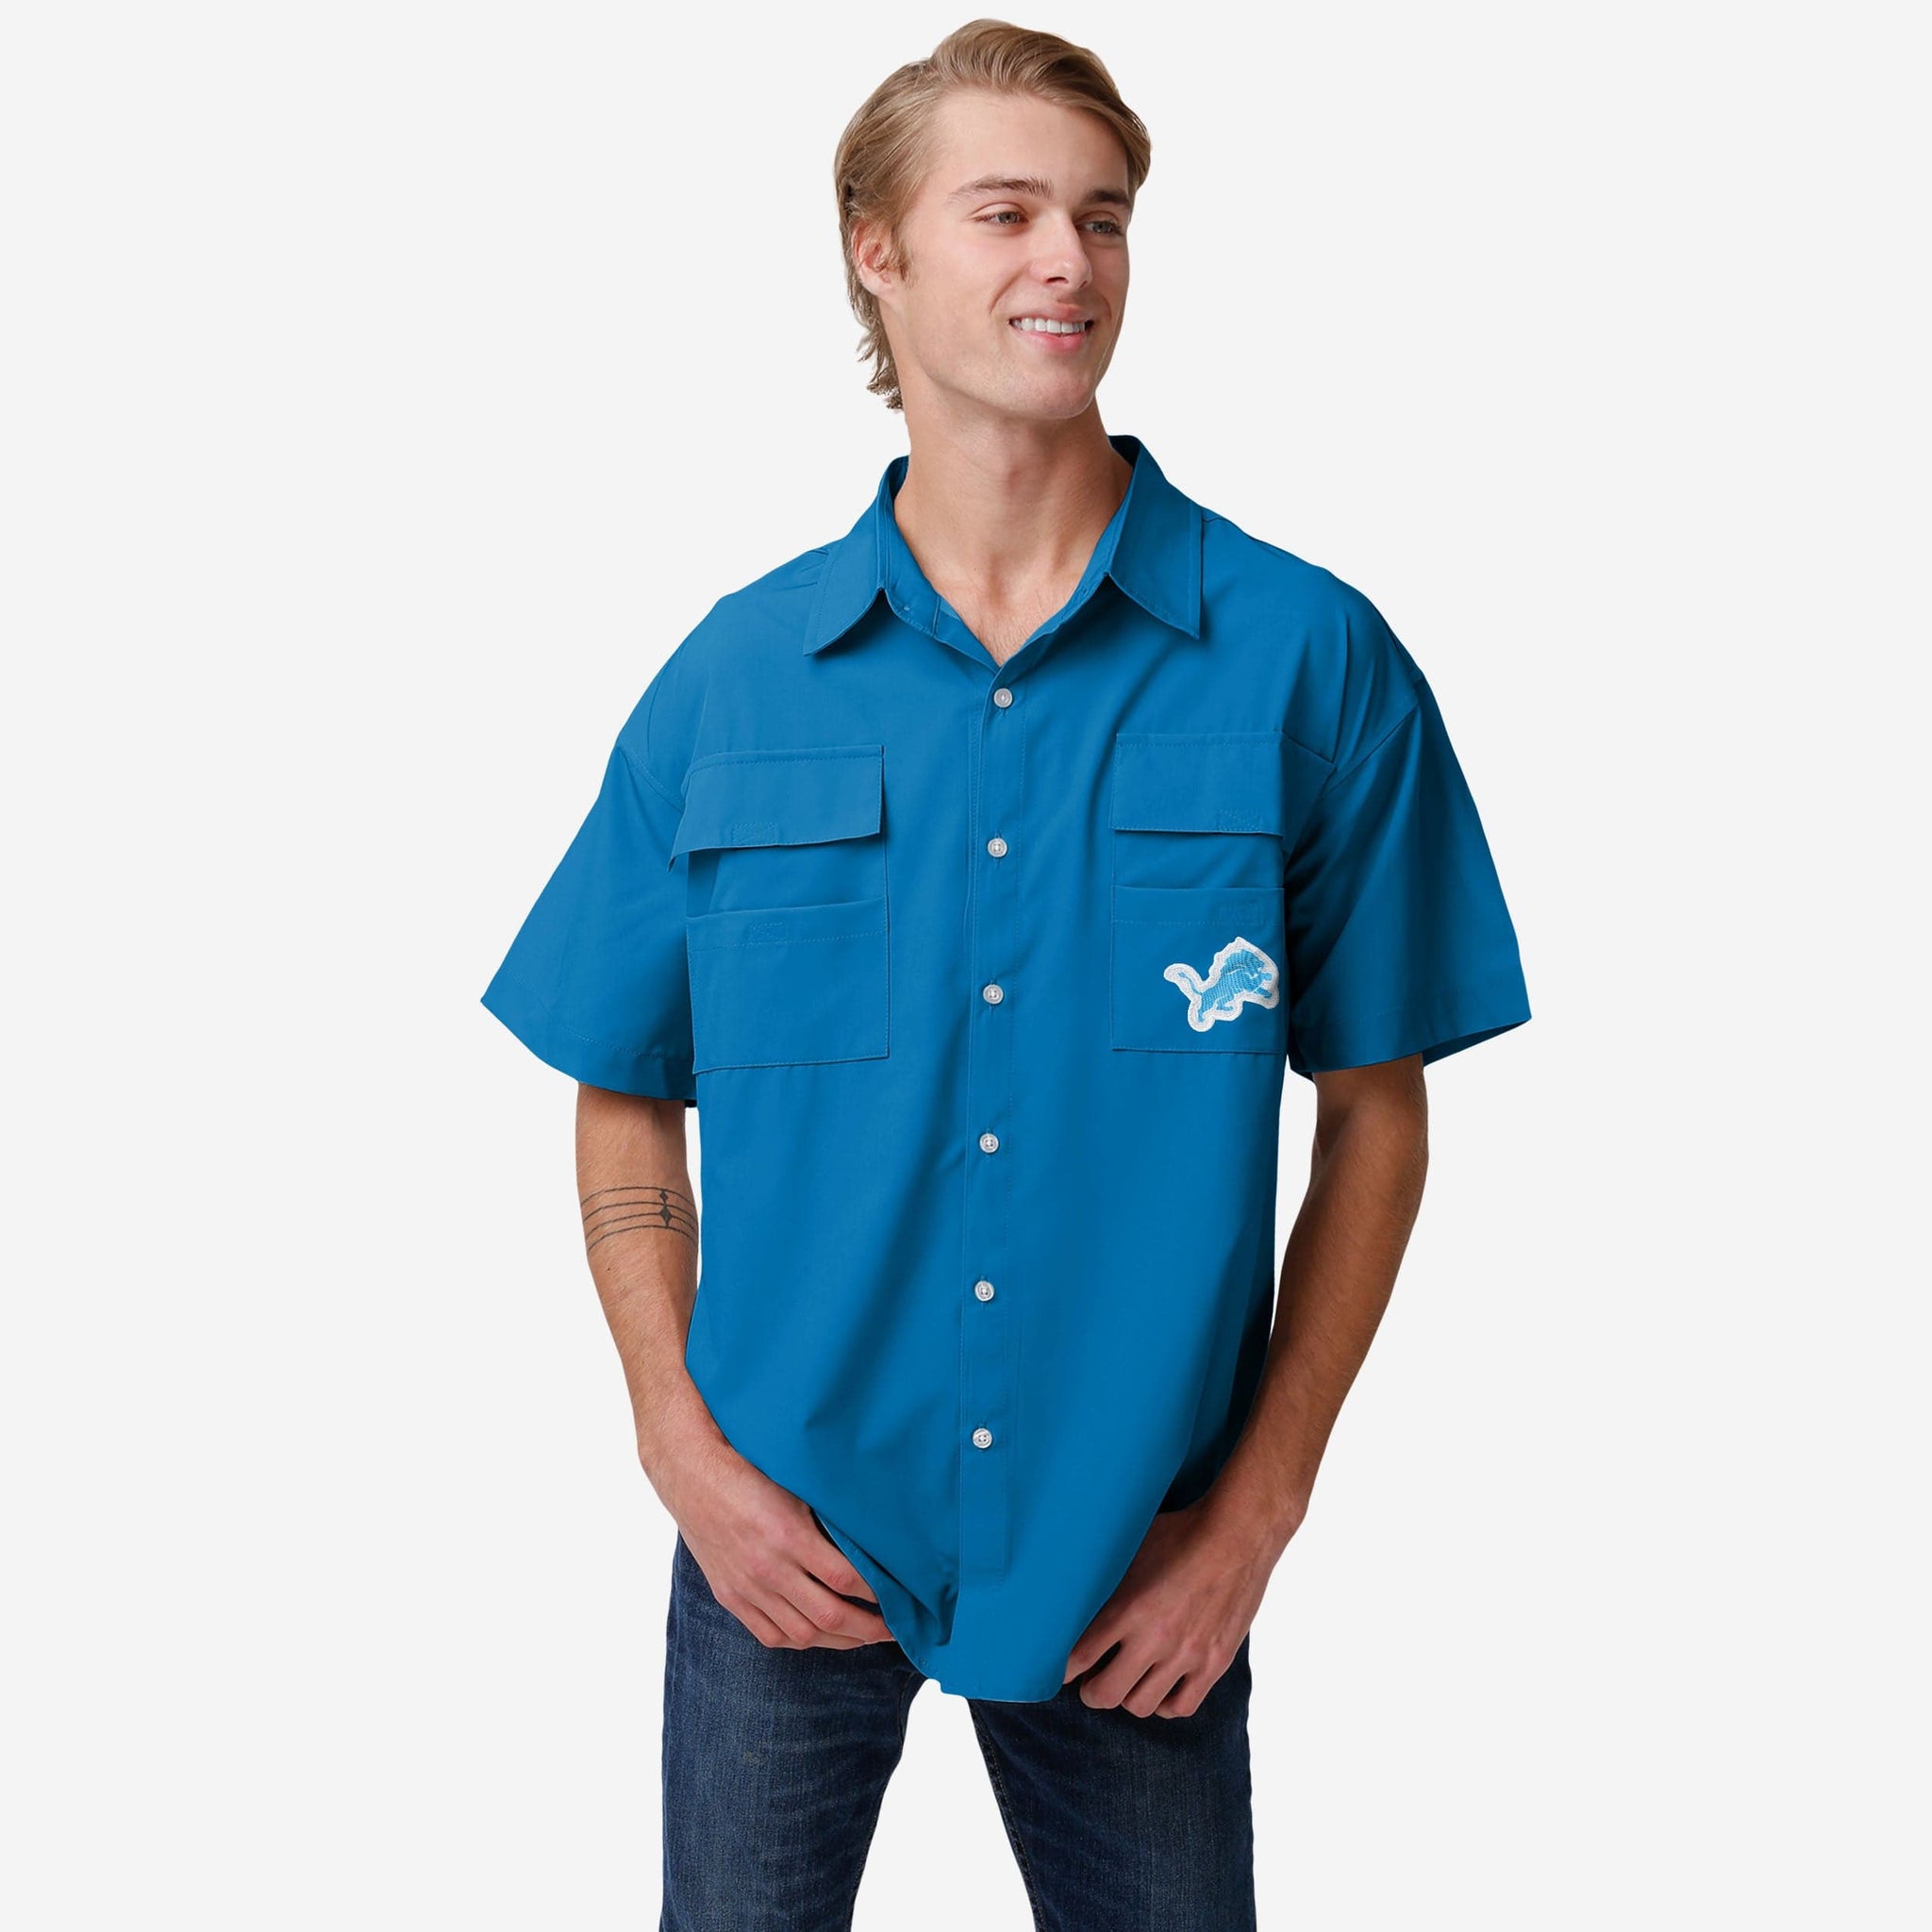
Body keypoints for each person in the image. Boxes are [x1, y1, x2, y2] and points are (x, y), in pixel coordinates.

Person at [480, 20, 1530, 1927]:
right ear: (875, 249)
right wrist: (677, 1448)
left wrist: (1256, 1516)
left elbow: (1380, 1110)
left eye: (1103, 216)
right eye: (1009, 212)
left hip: (1139, 1551)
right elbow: (621, 1081)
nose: (1071, 260)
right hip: (780, 1537)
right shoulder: (737, 678)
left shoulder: (1304, 657)